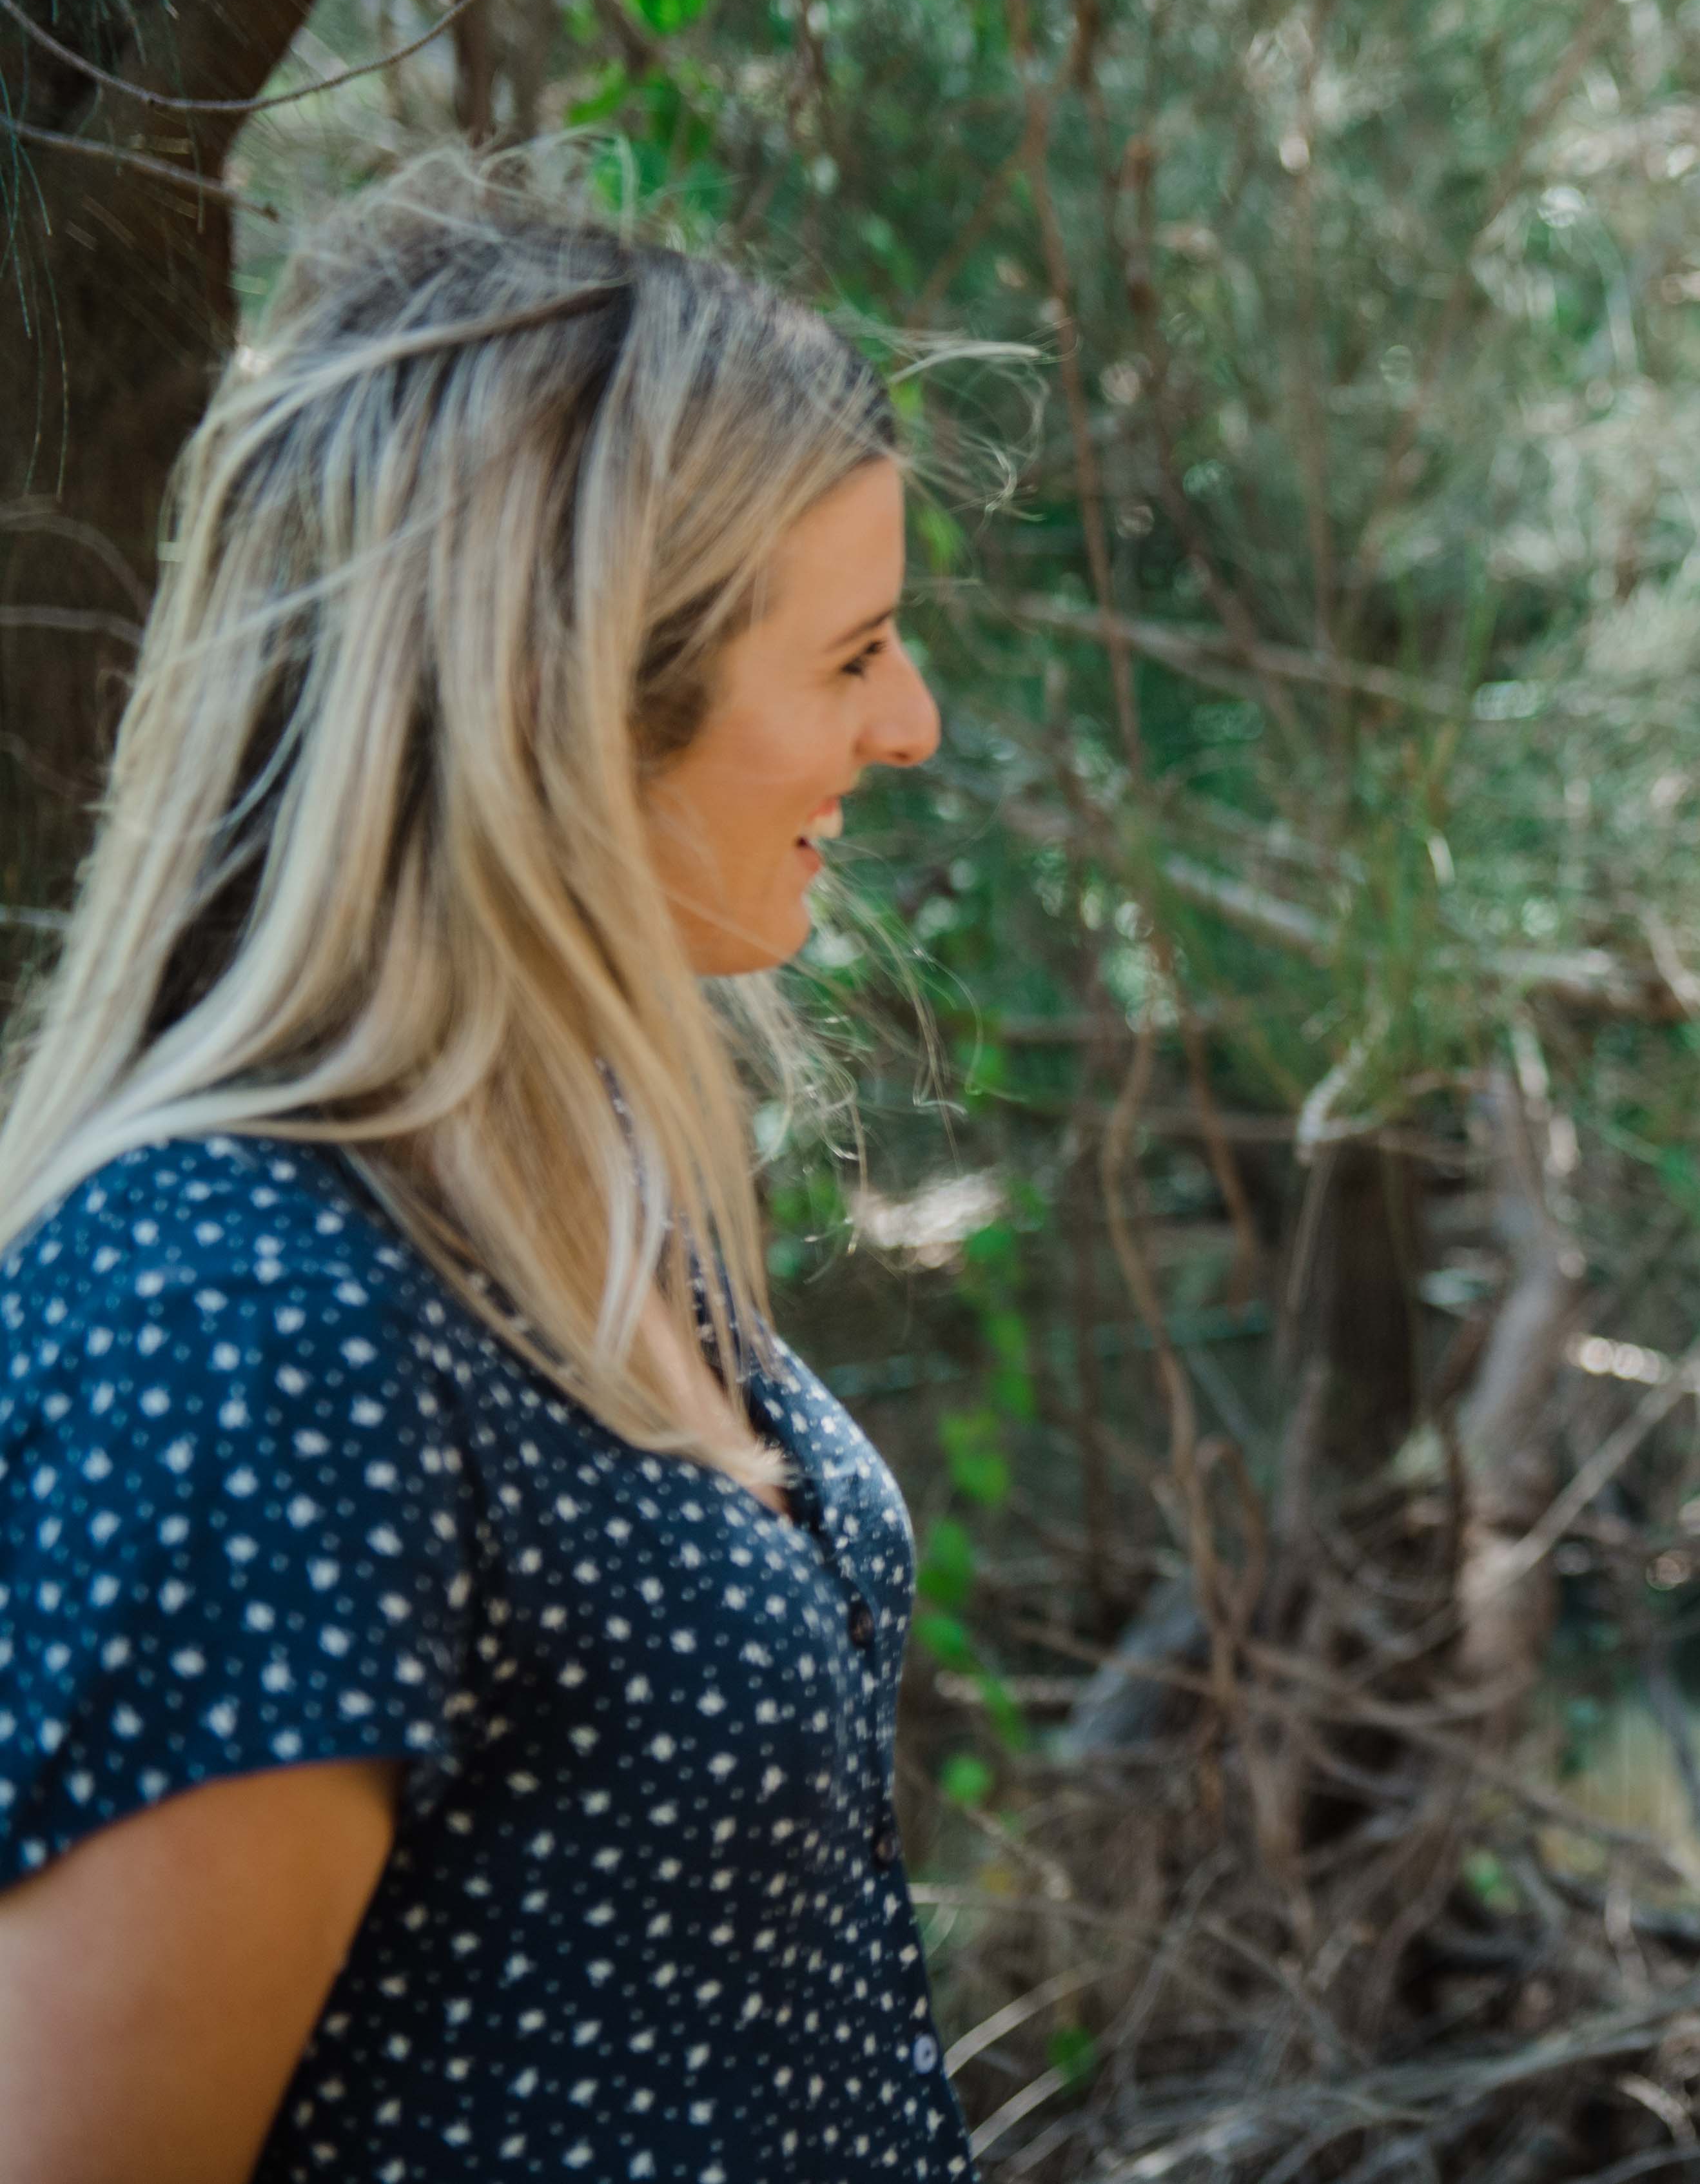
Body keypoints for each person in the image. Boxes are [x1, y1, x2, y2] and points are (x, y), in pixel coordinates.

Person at [0, 156, 973, 2181]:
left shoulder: (575, 1194)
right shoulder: (243, 1308)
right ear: (577, 699)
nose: (915, 726)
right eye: (855, 651)